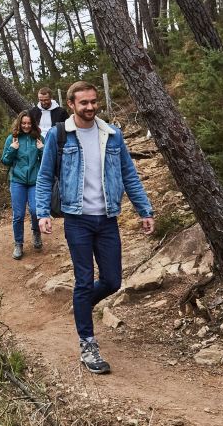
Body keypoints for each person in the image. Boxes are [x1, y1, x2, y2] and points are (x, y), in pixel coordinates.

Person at [35, 81, 154, 374]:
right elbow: (45, 176)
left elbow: (129, 174)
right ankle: (88, 344)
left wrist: (144, 209)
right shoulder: (59, 135)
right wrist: (42, 213)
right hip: (77, 219)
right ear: (71, 105)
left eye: (93, 101)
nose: (90, 107)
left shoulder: (112, 134)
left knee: (113, 281)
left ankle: (81, 306)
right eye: (84, 103)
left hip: (107, 218)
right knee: (84, 280)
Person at [1, 112, 43, 260]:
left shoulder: (38, 138)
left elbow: (46, 161)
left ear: (33, 124)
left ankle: (36, 233)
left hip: (34, 181)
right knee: (18, 215)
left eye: (29, 123)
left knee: (35, 211)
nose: (26, 126)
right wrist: (12, 149)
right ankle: (18, 243)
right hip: (17, 181)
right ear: (19, 123)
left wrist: (42, 149)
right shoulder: (11, 138)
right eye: (24, 123)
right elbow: (5, 161)